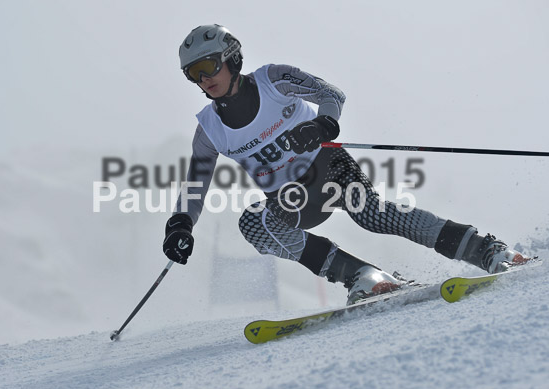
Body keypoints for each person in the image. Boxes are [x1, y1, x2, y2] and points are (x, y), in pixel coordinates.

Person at [163, 24, 530, 304]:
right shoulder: (209, 130)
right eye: (193, 73)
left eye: (209, 65)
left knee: (370, 213)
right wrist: (179, 225)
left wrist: (321, 124)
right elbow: (196, 184)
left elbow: (330, 93)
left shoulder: (273, 79)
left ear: (232, 57)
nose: (204, 78)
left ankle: (486, 249)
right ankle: (364, 277)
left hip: (328, 168)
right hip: (291, 200)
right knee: (255, 223)